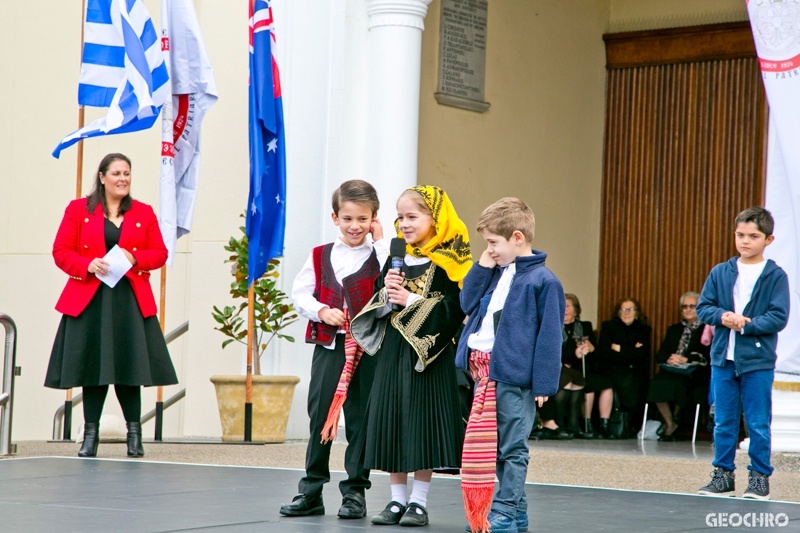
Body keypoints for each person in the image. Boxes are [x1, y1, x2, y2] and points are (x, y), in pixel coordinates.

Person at [351, 185, 470, 527]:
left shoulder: (453, 262)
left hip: (428, 355)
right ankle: (395, 501)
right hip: (393, 352)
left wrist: (412, 301)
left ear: (435, 219)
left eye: (412, 217)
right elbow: (381, 301)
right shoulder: (397, 257)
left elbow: (454, 310)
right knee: (393, 421)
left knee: (422, 424)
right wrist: (386, 295)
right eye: (400, 217)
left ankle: (418, 501)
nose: (403, 224)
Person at [45, 153, 178, 458]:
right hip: (90, 302)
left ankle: (135, 436)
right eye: (116, 173)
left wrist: (135, 258)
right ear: (102, 177)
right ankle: (90, 436)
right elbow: (60, 251)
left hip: (129, 302)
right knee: (93, 369)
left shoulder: (143, 212)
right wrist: (86, 264)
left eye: (127, 173)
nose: (123, 179)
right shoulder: (79, 210)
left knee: (130, 368)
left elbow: (159, 252)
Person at [279, 180, 387, 519]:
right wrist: (322, 311)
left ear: (374, 220)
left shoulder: (382, 254)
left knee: (360, 419)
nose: (355, 226)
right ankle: (311, 491)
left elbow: (393, 279)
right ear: (335, 217)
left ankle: (355, 492)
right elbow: (300, 294)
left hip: (368, 349)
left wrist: (382, 241)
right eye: (347, 219)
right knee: (321, 416)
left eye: (363, 219)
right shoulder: (320, 254)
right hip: (331, 346)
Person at [457, 197, 564, 533]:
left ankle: (503, 512)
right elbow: (468, 302)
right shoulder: (497, 272)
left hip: (514, 377)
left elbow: (549, 337)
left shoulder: (544, 281)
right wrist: (483, 264)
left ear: (517, 238)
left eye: (493, 243)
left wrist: (544, 384)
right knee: (495, 447)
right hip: (484, 375)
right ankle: (515, 515)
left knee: (512, 447)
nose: (490, 250)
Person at [697, 207, 789, 500]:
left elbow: (778, 316)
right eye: (740, 235)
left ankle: (759, 479)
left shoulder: (775, 275)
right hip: (723, 358)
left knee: (757, 422)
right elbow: (704, 307)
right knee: (723, 421)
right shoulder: (721, 271)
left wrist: (746, 325)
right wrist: (724, 316)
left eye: (753, 236)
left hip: (757, 362)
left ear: (768, 239)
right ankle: (722, 476)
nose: (745, 241)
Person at [646, 292, 710, 441]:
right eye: (684, 306)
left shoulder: (707, 329)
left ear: (700, 308)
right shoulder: (674, 329)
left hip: (694, 373)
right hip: (671, 370)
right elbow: (660, 354)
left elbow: (708, 356)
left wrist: (685, 359)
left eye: (692, 306)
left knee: (678, 385)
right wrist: (670, 359)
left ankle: (674, 418)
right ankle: (670, 423)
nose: (687, 309)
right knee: (656, 383)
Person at [559, 293, 614, 438]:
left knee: (605, 384)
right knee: (576, 381)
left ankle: (603, 426)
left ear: (576, 310)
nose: (564, 309)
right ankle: (582, 424)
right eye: (561, 306)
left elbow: (597, 355)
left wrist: (590, 348)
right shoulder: (554, 327)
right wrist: (573, 352)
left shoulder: (585, 326)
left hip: (583, 368)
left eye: (568, 306)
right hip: (564, 370)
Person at [597, 297, 651, 437]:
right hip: (611, 369)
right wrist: (631, 350)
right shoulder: (608, 326)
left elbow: (642, 355)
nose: (627, 312)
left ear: (637, 312)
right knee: (623, 381)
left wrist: (619, 348)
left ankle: (631, 426)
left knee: (638, 383)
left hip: (635, 371)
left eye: (631, 309)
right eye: (623, 309)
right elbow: (604, 353)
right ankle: (613, 427)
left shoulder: (644, 330)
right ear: (618, 312)